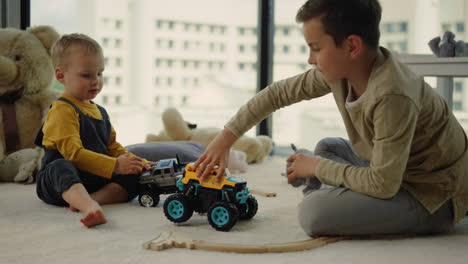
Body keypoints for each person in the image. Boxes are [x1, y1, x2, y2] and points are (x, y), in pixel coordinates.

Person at [193, 0, 468, 237]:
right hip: (394, 168)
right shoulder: (346, 71)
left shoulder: (392, 95)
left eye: (315, 48)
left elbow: (384, 184)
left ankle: (340, 197)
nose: (310, 59)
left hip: (432, 193)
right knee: (328, 147)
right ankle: (344, 194)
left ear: (351, 46)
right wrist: (225, 138)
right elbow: (277, 94)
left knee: (313, 213)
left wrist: (318, 169)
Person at [35, 33, 150, 228]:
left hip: (93, 179)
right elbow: (74, 155)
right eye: (86, 75)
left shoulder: (100, 112)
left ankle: (93, 198)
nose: (96, 81)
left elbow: (113, 148)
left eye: (100, 73)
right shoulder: (62, 109)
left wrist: (141, 163)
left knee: (134, 174)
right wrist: (115, 165)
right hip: (60, 181)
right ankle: (88, 206)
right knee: (60, 166)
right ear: (61, 75)